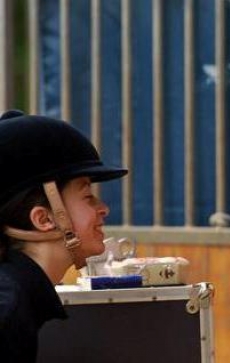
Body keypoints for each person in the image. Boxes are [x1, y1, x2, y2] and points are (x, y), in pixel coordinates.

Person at [0, 110, 127, 362]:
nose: (103, 209)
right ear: (44, 219)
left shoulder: (17, 295)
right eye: (87, 196)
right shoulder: (8, 310)